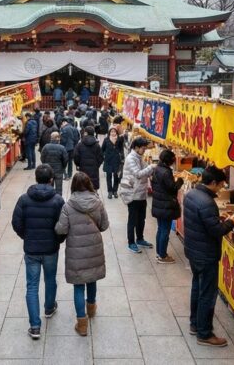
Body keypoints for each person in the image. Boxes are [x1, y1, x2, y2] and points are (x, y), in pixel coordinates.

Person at [182, 166, 234, 347]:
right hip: (205, 254)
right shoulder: (207, 202)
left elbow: (202, 224)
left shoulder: (191, 195)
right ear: (213, 183)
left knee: (197, 288)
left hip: (193, 251)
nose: (221, 188)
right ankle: (205, 334)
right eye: (221, 185)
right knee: (207, 293)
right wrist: (231, 222)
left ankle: (195, 324)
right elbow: (215, 231)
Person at [11, 164, 66, 340]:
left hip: (32, 249)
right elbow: (63, 225)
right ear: (51, 180)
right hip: (51, 249)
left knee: (32, 286)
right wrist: (58, 240)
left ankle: (35, 326)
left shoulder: (24, 200)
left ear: (35, 178)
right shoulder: (58, 200)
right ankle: (49, 307)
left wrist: (26, 236)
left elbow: (16, 223)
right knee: (50, 279)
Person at [55, 173, 109, 337]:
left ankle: (82, 324)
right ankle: (91, 308)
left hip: (76, 251)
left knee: (79, 285)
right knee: (91, 278)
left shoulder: (68, 205)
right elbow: (105, 225)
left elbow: (61, 229)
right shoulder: (98, 202)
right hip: (94, 248)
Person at [119, 137, 156, 254]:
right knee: (133, 220)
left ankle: (140, 238)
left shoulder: (139, 157)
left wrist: (151, 169)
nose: (144, 150)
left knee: (141, 219)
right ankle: (131, 242)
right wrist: (151, 167)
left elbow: (145, 170)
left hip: (141, 193)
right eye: (143, 148)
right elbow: (138, 174)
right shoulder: (131, 159)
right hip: (133, 194)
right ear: (136, 147)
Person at [150, 149, 184, 263]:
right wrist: (179, 181)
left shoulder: (157, 169)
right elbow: (172, 188)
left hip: (159, 204)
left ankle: (159, 253)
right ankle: (163, 256)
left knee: (160, 229)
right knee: (165, 230)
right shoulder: (166, 172)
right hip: (165, 205)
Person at [73, 126, 103, 191]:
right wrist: (96, 165)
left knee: (83, 187)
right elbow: (101, 157)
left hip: (83, 169)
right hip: (94, 171)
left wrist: (79, 164)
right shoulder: (97, 145)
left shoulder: (80, 145)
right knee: (93, 189)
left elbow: (76, 157)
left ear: (85, 133)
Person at [41, 131, 70, 195]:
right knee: (59, 189)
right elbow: (65, 159)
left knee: (49, 188)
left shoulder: (46, 147)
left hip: (48, 171)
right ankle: (59, 201)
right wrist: (63, 167)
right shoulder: (62, 148)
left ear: (51, 138)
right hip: (59, 171)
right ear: (58, 138)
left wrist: (45, 165)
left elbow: (42, 158)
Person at [101, 127, 125, 199]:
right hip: (108, 160)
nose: (113, 133)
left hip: (117, 160)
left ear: (116, 133)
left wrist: (122, 157)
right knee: (108, 176)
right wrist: (104, 156)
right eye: (112, 132)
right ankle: (110, 191)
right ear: (109, 133)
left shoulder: (119, 140)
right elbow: (102, 150)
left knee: (116, 176)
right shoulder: (106, 140)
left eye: (114, 132)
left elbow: (121, 149)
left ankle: (115, 191)